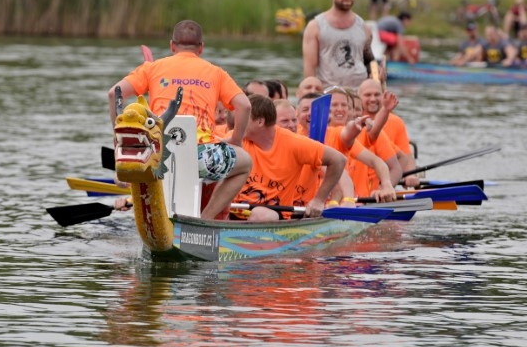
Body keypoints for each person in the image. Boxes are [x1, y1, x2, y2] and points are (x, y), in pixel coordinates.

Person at [107, 19, 253, 221]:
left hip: (157, 156)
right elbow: (245, 106)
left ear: (172, 46)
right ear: (201, 48)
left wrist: (120, 145)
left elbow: (113, 94)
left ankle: (150, 205)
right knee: (245, 163)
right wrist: (236, 141)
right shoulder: (216, 72)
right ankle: (205, 219)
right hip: (200, 157)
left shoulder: (152, 68)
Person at [237, 95, 349, 222]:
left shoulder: (297, 144)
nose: (291, 125)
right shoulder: (239, 138)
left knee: (260, 214)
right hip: (236, 210)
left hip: (276, 214)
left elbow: (339, 161)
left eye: (294, 120)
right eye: (285, 121)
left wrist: (323, 200)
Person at [303, 0, 374, 89]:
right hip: (329, 92)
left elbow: (369, 63)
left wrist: (379, 73)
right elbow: (310, 70)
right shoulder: (315, 27)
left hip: (358, 93)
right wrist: (312, 94)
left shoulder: (364, 28)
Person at [357, 79, 419, 187]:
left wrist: (410, 175)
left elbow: (406, 156)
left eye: (377, 95)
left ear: (382, 96)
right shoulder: (355, 122)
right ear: (359, 98)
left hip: (385, 180)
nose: (373, 99)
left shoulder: (396, 122)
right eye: (368, 95)